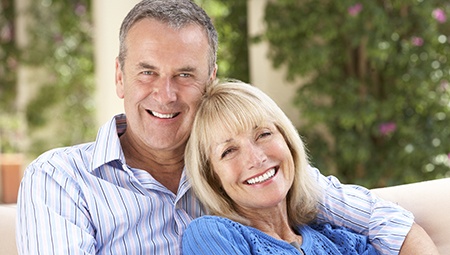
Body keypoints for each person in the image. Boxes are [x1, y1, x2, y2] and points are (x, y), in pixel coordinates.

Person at [16, 0, 436, 254]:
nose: (165, 94)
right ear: (120, 76)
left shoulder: (249, 173)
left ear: (210, 79)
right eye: (147, 72)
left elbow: (387, 223)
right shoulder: (60, 178)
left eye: (185, 74)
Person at [182, 79, 379, 254]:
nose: (256, 159)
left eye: (263, 134)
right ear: (212, 176)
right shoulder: (211, 235)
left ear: (287, 140)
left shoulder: (344, 242)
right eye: (229, 151)